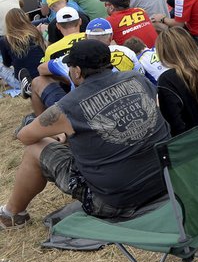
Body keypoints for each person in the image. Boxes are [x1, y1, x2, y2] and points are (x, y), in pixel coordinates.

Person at [0, 39, 170, 229]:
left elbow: (25, 136)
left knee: (35, 148)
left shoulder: (69, 105)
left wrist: (59, 132)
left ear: (77, 71)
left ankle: (12, 215)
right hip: (165, 182)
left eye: (70, 67)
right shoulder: (136, 79)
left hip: (116, 202)